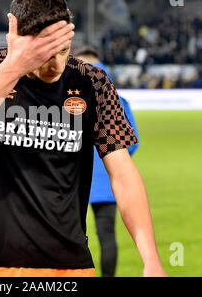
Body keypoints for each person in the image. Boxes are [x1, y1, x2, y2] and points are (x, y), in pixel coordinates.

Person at [0, 0, 166, 277]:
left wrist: (152, 261)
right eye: (46, 52)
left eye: (64, 49)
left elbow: (123, 174)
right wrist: (13, 68)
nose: (57, 64)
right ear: (18, 37)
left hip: (69, 266)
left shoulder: (91, 81)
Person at [75, 46, 140, 277]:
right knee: (107, 236)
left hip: (72, 181)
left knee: (71, 236)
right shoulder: (118, 100)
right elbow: (132, 143)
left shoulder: (66, 97)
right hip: (108, 180)